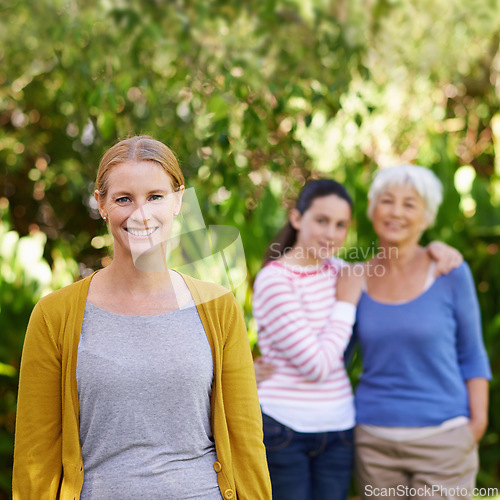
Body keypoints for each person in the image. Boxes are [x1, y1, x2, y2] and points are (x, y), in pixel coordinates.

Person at [13, 135, 272, 500]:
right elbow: (34, 458)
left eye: (155, 196)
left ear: (178, 199)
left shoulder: (219, 307)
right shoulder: (54, 316)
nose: (141, 214)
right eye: (123, 199)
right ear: (101, 204)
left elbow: (246, 441)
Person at [252, 178, 463, 500]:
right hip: (285, 430)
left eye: (341, 225)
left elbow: (396, 270)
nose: (331, 234)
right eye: (321, 221)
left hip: (339, 430)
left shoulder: (341, 271)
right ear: (297, 219)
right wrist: (346, 304)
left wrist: (437, 250)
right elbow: (318, 366)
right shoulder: (275, 281)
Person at [354, 165, 491, 499]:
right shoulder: (353, 277)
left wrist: (476, 426)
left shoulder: (450, 273)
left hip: (444, 441)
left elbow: (472, 354)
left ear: (427, 216)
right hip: (374, 442)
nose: (396, 212)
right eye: (387, 201)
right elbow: (330, 353)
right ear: (373, 209)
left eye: (410, 204)